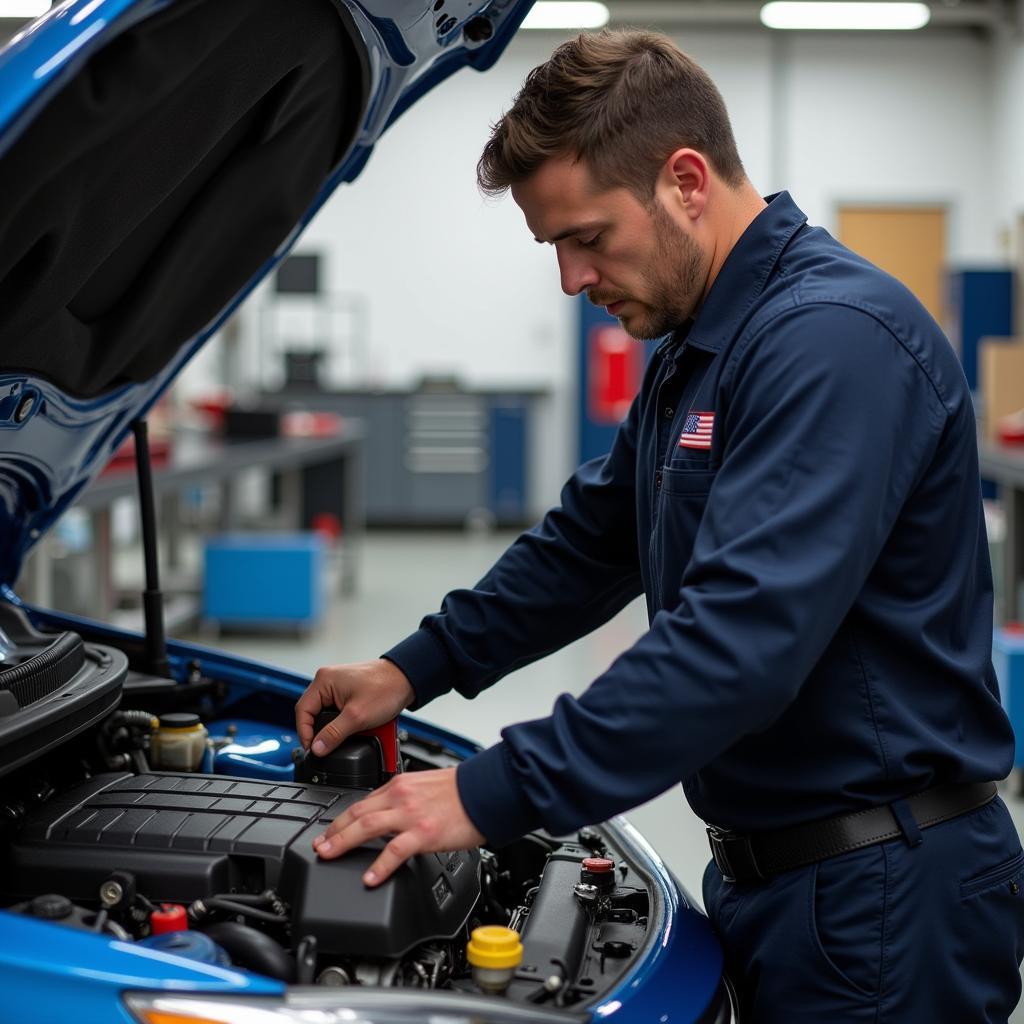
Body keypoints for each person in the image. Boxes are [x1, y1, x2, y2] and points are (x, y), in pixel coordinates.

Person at [295, 28, 1024, 1021]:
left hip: (884, 896)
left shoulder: (831, 343)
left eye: (587, 237)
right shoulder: (704, 347)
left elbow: (736, 642)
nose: (570, 279)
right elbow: (591, 542)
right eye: (553, 246)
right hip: (785, 878)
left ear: (685, 180)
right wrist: (415, 665)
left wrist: (488, 791)